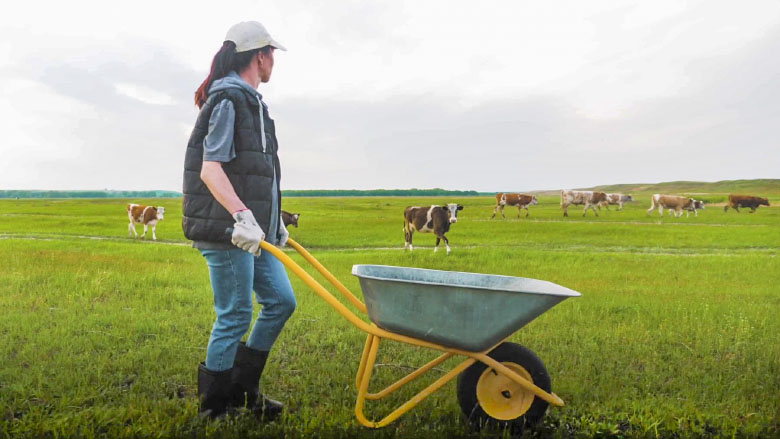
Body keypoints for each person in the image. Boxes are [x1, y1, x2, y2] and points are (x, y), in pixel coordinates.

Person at [182, 20, 295, 421]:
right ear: (260, 56)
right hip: (227, 229)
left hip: (253, 229)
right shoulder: (229, 100)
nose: (272, 64)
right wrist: (243, 216)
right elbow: (211, 169)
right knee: (234, 315)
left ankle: (244, 391)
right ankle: (214, 408)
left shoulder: (253, 105)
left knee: (281, 302)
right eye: (272, 56)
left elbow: (256, 174)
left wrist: (273, 219)